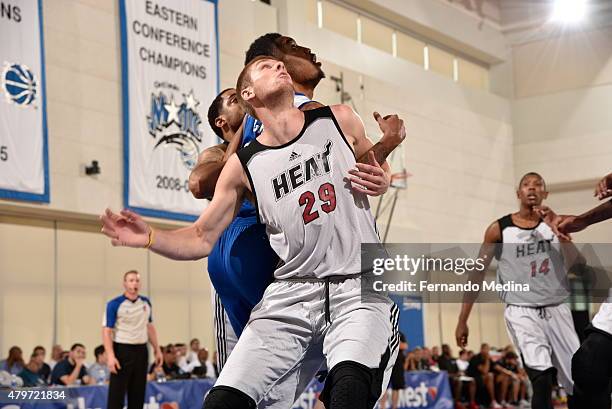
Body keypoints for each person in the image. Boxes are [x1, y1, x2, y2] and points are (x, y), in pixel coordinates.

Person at [100, 56, 404, 409]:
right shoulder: (243, 164)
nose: (279, 67)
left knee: (349, 392)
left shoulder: (338, 118)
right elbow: (201, 236)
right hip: (292, 294)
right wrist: (151, 237)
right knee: (220, 403)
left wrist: (382, 175)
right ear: (248, 92)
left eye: (280, 65)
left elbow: (371, 168)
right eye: (265, 66)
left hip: (357, 284)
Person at [189, 34, 402, 376]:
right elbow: (200, 184)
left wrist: (385, 166)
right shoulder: (308, 117)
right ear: (277, 64)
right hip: (280, 262)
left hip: (245, 260)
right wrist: (387, 145)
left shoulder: (289, 123)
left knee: (248, 383)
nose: (308, 50)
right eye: (293, 47)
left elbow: (360, 172)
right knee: (339, 368)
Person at [456, 172, 583, 409]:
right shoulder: (499, 229)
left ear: (545, 193)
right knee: (542, 378)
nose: (532, 189)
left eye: (538, 185)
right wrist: (463, 319)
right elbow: (476, 273)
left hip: (557, 308)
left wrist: (563, 238)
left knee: (578, 382)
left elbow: (579, 266)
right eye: (526, 185)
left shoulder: (556, 223)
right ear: (518, 193)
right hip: (521, 311)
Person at [537, 172, 612, 409]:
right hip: (551, 324)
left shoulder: (575, 272)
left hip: (577, 323)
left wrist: (574, 226)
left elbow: (580, 271)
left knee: (587, 365)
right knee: (585, 368)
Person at [103, 270, 162, 409]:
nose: (134, 283)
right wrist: (110, 356)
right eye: (131, 280)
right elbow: (106, 331)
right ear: (124, 283)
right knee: (116, 395)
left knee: (138, 393)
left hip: (141, 350)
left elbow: (149, 327)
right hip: (122, 350)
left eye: (137, 280)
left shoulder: (146, 303)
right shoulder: (114, 304)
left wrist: (157, 349)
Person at [465, 344, 501, 409]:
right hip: (474, 377)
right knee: (490, 375)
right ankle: (492, 401)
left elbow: (497, 367)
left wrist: (510, 373)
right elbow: (485, 371)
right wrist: (487, 360)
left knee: (504, 377)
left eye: (488, 349)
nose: (487, 351)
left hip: (482, 378)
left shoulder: (488, 358)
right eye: (486, 349)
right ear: (481, 349)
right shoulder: (476, 358)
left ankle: (499, 401)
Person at [379, 333, 408, 409]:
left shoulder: (400, 334)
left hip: (397, 363)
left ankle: (394, 407)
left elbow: (404, 346)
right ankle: (382, 407)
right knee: (383, 386)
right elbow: (381, 346)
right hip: (385, 362)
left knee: (396, 387)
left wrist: (392, 343)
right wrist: (396, 344)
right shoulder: (383, 330)